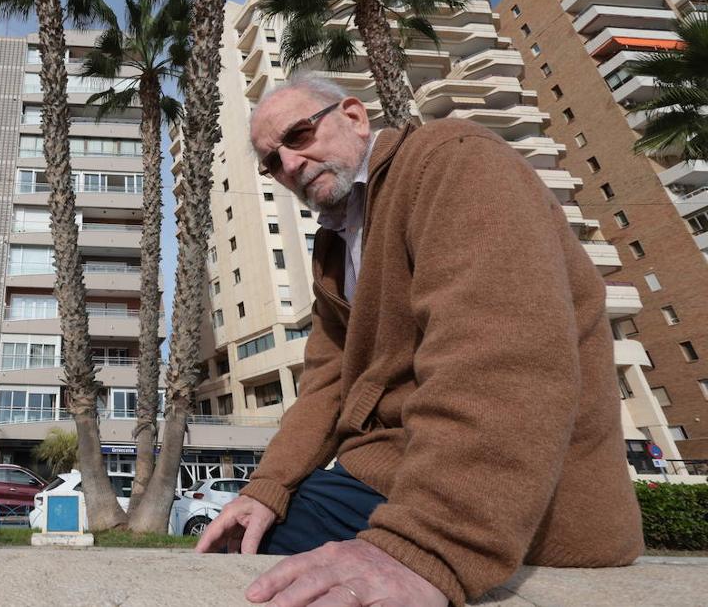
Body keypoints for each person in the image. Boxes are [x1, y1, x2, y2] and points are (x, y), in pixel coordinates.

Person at [197, 74, 643, 606]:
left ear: (355, 117)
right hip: (385, 474)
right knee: (233, 544)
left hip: (504, 502)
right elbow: (325, 384)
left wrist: (426, 546)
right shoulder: (336, 247)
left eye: (298, 136)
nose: (289, 165)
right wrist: (266, 486)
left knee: (253, 577)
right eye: (272, 162)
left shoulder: (453, 161)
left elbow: (498, 356)